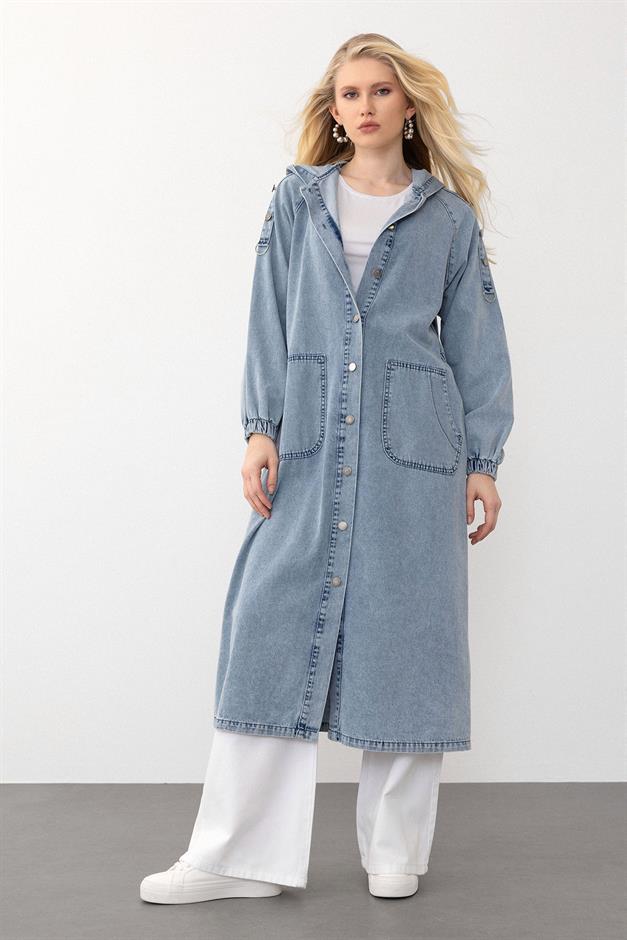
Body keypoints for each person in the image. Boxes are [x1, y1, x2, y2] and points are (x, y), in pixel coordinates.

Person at [140, 32, 514, 904]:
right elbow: (268, 311)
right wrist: (259, 427)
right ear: (333, 109)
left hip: (414, 448)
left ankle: (395, 852)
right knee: (267, 629)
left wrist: (481, 460)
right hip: (307, 435)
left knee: (410, 637)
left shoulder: (447, 219)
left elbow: (477, 342)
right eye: (349, 93)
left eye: (380, 90)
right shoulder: (298, 198)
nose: (364, 105)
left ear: (407, 105)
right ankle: (237, 857)